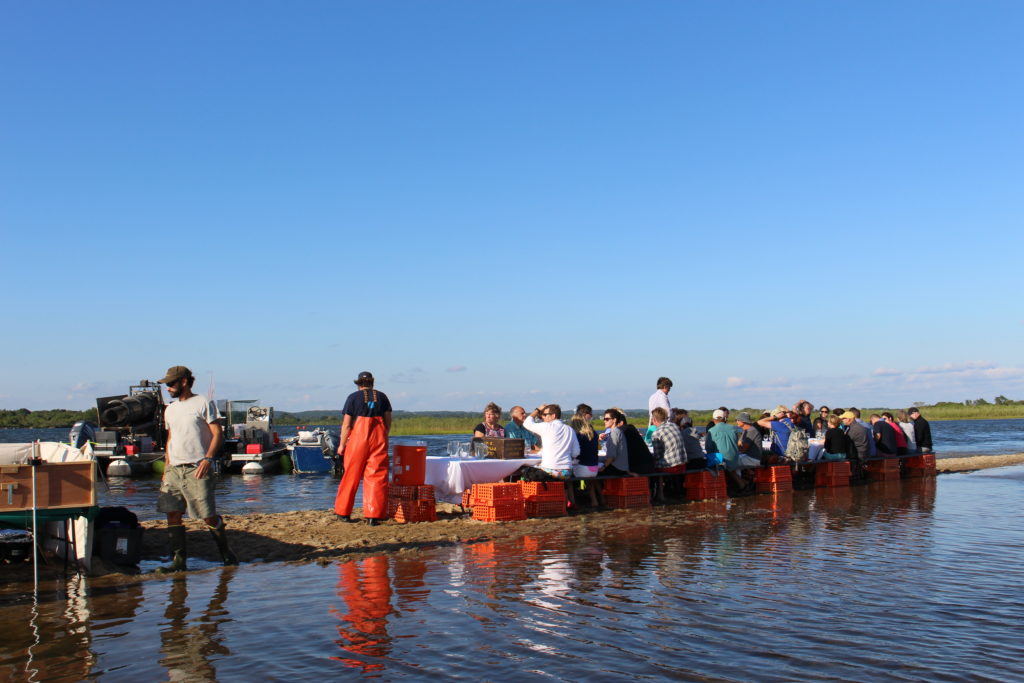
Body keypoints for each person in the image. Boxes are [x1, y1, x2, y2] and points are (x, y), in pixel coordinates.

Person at [157, 365, 236, 572]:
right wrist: (166, 469)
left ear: (183, 382)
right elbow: (170, 439)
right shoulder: (170, 409)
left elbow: (217, 433)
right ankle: (179, 561)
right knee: (172, 513)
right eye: (166, 384)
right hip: (174, 469)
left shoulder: (203, 402)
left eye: (171, 384)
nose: (168, 388)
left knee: (207, 515)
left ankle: (227, 555)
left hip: (197, 467)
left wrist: (208, 459)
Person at [334, 371, 393, 525]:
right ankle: (373, 516)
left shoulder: (353, 398)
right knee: (377, 476)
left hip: (358, 440)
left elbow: (346, 425)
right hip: (378, 438)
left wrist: (341, 445)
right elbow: (388, 421)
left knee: (351, 476)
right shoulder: (382, 397)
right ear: (372, 383)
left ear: (358, 384)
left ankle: (343, 513)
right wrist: (383, 435)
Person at [521, 404, 579, 479]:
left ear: (553, 416)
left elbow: (526, 423)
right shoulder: (570, 430)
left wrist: (537, 410)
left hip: (550, 470)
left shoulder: (546, 426)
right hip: (567, 472)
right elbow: (576, 453)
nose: (542, 417)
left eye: (545, 414)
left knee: (524, 473)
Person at [650, 407, 685, 502]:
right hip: (682, 464)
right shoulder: (674, 426)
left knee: (652, 466)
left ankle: (659, 494)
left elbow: (657, 455)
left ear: (654, 419)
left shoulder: (656, 433)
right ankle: (670, 490)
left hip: (672, 466)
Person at [706, 409, 744, 490]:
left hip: (722, 460)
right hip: (735, 458)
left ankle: (718, 487)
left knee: (708, 461)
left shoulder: (711, 431)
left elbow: (708, 449)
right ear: (725, 418)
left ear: (713, 419)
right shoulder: (733, 428)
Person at [568, 404, 600, 479]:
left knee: (567, 476)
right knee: (591, 483)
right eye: (590, 414)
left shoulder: (577, 434)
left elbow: (575, 453)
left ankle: (571, 490)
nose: (591, 416)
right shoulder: (592, 432)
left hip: (582, 469)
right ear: (585, 415)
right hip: (594, 469)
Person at [601, 409, 633, 476]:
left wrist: (603, 467)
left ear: (614, 420)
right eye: (604, 419)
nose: (604, 421)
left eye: (607, 419)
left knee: (593, 473)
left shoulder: (615, 432)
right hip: (622, 468)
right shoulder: (619, 431)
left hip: (617, 469)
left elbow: (612, 457)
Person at [647, 377, 673, 441]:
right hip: (660, 428)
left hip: (652, 426)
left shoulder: (652, 396)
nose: (669, 390)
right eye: (669, 388)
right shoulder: (662, 396)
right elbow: (668, 413)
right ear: (665, 387)